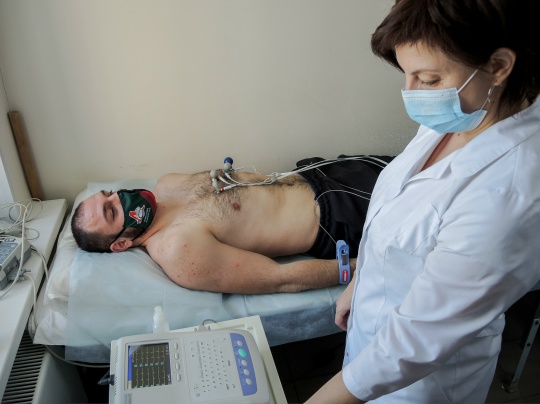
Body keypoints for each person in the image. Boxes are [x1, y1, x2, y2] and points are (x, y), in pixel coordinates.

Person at [305, 1, 540, 403]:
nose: (411, 93)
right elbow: (394, 218)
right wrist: (359, 286)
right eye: (407, 75)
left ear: (499, 66)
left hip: (423, 382)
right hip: (373, 337)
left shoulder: (510, 193)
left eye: (428, 79)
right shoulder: (461, 114)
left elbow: (418, 338)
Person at [71, 155, 393, 294]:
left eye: (109, 195)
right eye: (112, 212)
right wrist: (362, 266)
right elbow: (280, 280)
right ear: (121, 244)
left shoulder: (167, 184)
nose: (120, 199)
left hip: (323, 172)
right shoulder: (177, 250)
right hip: (340, 217)